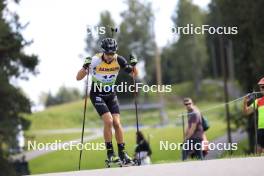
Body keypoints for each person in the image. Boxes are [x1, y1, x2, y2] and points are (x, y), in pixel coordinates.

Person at [76, 38, 138, 165]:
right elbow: (78, 77)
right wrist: (84, 67)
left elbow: (133, 74)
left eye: (113, 53)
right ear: (103, 52)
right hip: (97, 94)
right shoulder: (95, 60)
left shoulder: (119, 60)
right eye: (108, 53)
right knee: (108, 121)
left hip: (111, 95)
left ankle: (122, 153)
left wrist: (134, 65)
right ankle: (110, 154)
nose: (110, 56)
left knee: (117, 123)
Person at [243, 77, 264, 154]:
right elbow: (246, 112)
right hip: (261, 129)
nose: (261, 89)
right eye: (261, 87)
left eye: (263, 87)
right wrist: (245, 102)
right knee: (258, 150)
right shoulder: (258, 101)